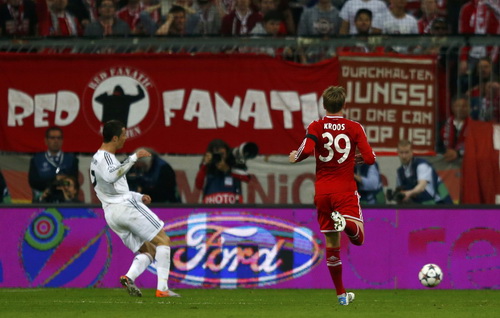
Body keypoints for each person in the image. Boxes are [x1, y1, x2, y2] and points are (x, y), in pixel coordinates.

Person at [289, 86, 376, 306]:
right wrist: (360, 157)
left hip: (323, 192)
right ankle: (345, 221)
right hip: (344, 189)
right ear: (344, 105)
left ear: (324, 106)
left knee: (331, 242)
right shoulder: (355, 127)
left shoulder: (316, 126)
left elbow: (306, 150)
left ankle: (341, 295)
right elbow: (370, 159)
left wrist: (294, 157)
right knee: (359, 238)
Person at [90, 120, 180, 298]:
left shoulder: (96, 159)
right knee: (163, 240)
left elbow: (113, 189)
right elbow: (111, 176)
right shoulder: (106, 157)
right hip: (124, 208)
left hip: (111, 213)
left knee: (148, 251)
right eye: (123, 134)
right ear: (115, 138)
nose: (125, 137)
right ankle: (162, 289)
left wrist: (139, 197)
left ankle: (129, 277)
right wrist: (134, 157)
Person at [28, 126, 79, 202]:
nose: (56, 141)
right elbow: (33, 182)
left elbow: (74, 181)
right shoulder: (36, 159)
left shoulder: (71, 159)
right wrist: (55, 179)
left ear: (62, 140)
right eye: (52, 138)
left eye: (59, 138)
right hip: (43, 200)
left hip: (66, 201)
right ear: (46, 140)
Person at [395, 139, 453, 204]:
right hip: (420, 205)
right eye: (401, 153)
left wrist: (408, 193)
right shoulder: (400, 172)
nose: (404, 156)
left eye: (406, 152)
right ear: (398, 153)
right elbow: (401, 193)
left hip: (439, 204)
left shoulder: (422, 165)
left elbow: (421, 187)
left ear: (412, 152)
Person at [195, 139, 251, 204]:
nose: (220, 157)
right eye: (217, 155)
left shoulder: (233, 166)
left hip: (232, 209)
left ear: (227, 153)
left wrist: (227, 170)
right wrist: (205, 164)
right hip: (210, 207)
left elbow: (247, 178)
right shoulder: (206, 168)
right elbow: (198, 185)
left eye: (222, 154)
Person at [439, 97, 471, 162]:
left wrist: (458, 153)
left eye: (464, 106)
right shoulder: (443, 125)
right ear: (452, 108)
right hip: (445, 162)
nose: (461, 109)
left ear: (469, 108)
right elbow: (438, 146)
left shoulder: (475, 126)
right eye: (457, 106)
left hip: (466, 161)